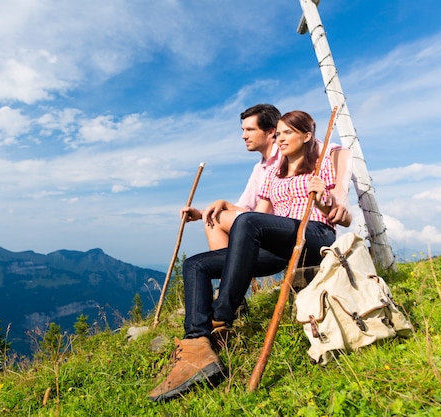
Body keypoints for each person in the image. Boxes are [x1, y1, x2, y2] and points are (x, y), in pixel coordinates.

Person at [149, 110, 352, 402]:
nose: (280, 139)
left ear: (307, 135)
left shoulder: (329, 157)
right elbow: (258, 218)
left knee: (246, 223)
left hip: (315, 234)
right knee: (196, 265)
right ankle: (196, 345)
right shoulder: (274, 171)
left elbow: (342, 216)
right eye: (278, 133)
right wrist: (210, 211)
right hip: (281, 243)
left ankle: (221, 318)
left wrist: (324, 200)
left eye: (287, 133)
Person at [182, 104, 351, 250]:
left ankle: (231, 279)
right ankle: (226, 278)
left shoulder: (294, 150)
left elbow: (341, 152)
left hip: (303, 227)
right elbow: (249, 212)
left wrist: (340, 192)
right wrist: (201, 213)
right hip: (267, 224)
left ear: (271, 132)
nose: (244, 136)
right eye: (243, 130)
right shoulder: (261, 169)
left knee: (234, 222)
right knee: (213, 220)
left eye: (250, 130)